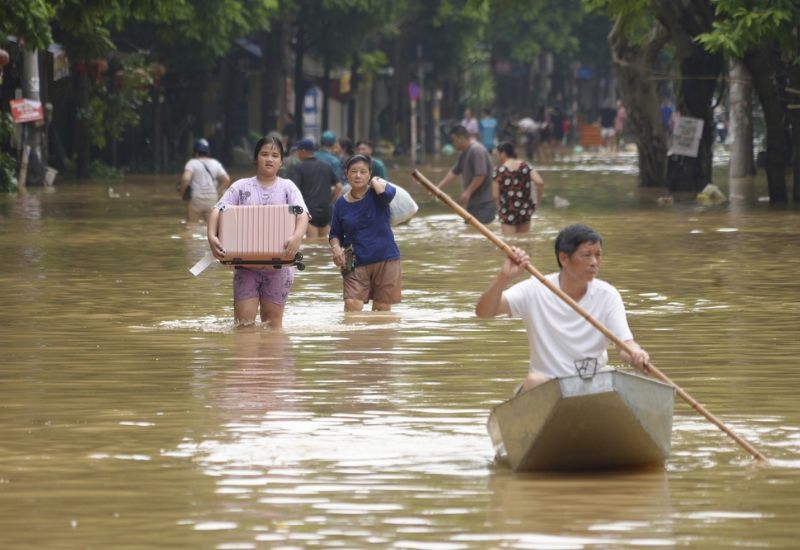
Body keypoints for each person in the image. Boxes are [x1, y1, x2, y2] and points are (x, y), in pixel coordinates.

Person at [475, 224, 650, 394]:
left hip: (592, 382)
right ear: (564, 259)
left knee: (615, 379)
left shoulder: (607, 295)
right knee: (534, 381)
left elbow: (625, 344)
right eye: (587, 255)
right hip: (549, 386)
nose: (594, 262)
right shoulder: (534, 289)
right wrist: (504, 277)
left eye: (598, 255)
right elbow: (483, 312)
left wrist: (636, 353)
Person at [207, 135, 310, 329]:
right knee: (243, 326)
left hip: (280, 269)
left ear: (281, 161)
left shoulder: (288, 187)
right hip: (245, 268)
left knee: (273, 326)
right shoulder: (240, 187)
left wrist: (297, 237)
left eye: (275, 155)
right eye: (264, 154)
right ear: (256, 158)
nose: (269, 159)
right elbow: (217, 210)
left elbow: (302, 213)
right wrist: (211, 236)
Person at [329, 154, 401, 312]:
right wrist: (336, 249)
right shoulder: (340, 203)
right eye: (353, 171)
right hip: (355, 261)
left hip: (385, 258)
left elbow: (389, 195)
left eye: (363, 171)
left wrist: (375, 181)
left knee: (381, 309)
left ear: (369, 173)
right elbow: (334, 234)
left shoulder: (378, 193)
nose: (358, 175)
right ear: (347, 174)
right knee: (352, 306)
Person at [436, 125, 496, 224]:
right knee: (470, 231)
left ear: (461, 138)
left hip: (485, 203)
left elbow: (481, 175)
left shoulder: (476, 150)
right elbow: (454, 172)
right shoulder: (464, 153)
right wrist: (438, 187)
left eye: (454, 140)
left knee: (477, 233)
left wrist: (468, 192)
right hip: (474, 203)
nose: (453, 144)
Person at [288, 138, 341, 238]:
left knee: (311, 245)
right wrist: (331, 200)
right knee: (323, 245)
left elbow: (294, 190)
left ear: (302, 151)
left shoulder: (300, 168)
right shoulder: (326, 166)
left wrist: (292, 211)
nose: (297, 154)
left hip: (310, 211)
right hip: (325, 211)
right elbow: (339, 186)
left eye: (298, 151)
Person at [492, 141, 544, 236]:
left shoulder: (498, 171)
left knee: (509, 242)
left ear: (503, 153)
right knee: (523, 241)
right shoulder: (526, 166)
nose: (497, 157)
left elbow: (495, 196)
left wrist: (500, 210)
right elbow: (540, 183)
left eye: (498, 154)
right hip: (525, 209)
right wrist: (538, 203)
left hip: (507, 210)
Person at [178, 138, 230, 223]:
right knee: (211, 228)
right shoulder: (215, 163)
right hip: (212, 199)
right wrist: (217, 192)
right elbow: (226, 180)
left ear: (195, 152)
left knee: (192, 226)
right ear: (208, 152)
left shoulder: (192, 163)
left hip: (196, 199)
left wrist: (182, 193)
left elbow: (185, 178)